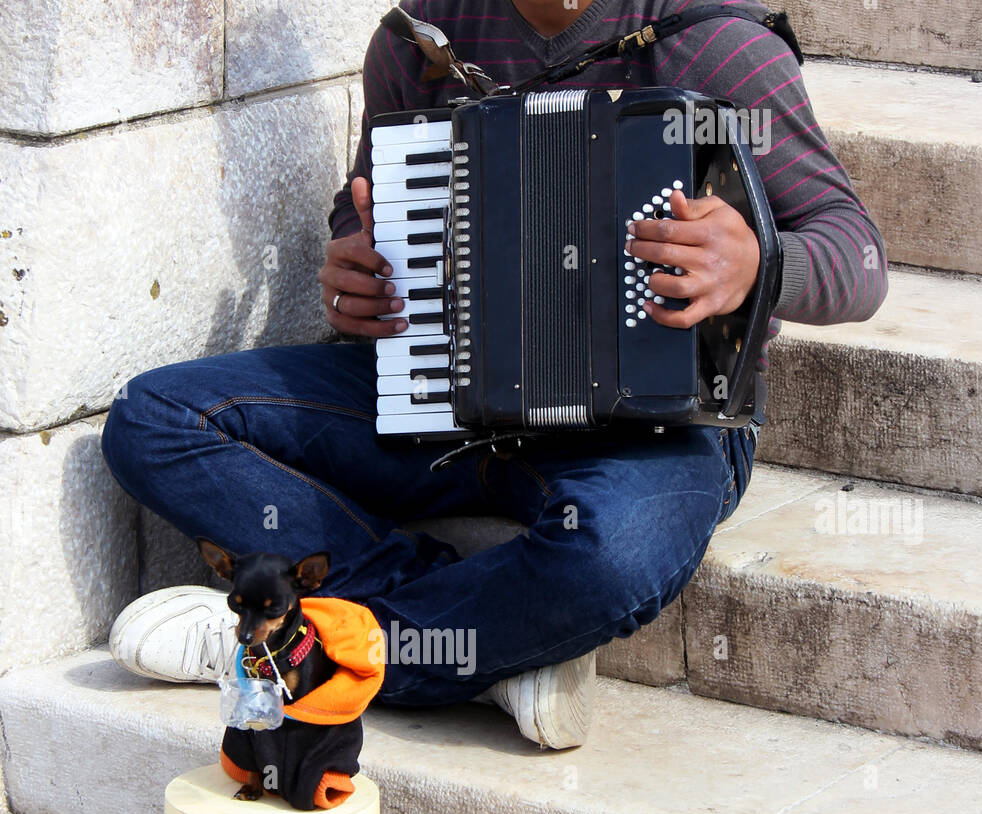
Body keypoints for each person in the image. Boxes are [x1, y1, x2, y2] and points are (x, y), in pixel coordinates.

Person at [101, 0, 887, 749]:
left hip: (652, 425)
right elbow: (367, 202)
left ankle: (301, 644)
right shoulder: (421, 38)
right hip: (443, 390)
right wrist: (357, 268)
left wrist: (758, 263)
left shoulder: (716, 44)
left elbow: (857, 252)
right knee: (155, 419)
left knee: (613, 556)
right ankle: (467, 649)